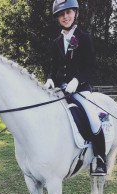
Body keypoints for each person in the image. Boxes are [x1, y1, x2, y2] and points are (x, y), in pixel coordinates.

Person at [44, 0, 107, 176]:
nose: (65, 17)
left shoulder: (84, 37)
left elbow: (91, 66)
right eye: (61, 14)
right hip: (60, 91)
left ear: (75, 13)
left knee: (94, 120)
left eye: (68, 12)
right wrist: (49, 79)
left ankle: (100, 159)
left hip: (80, 90)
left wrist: (76, 81)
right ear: (57, 18)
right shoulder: (56, 41)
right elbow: (54, 67)